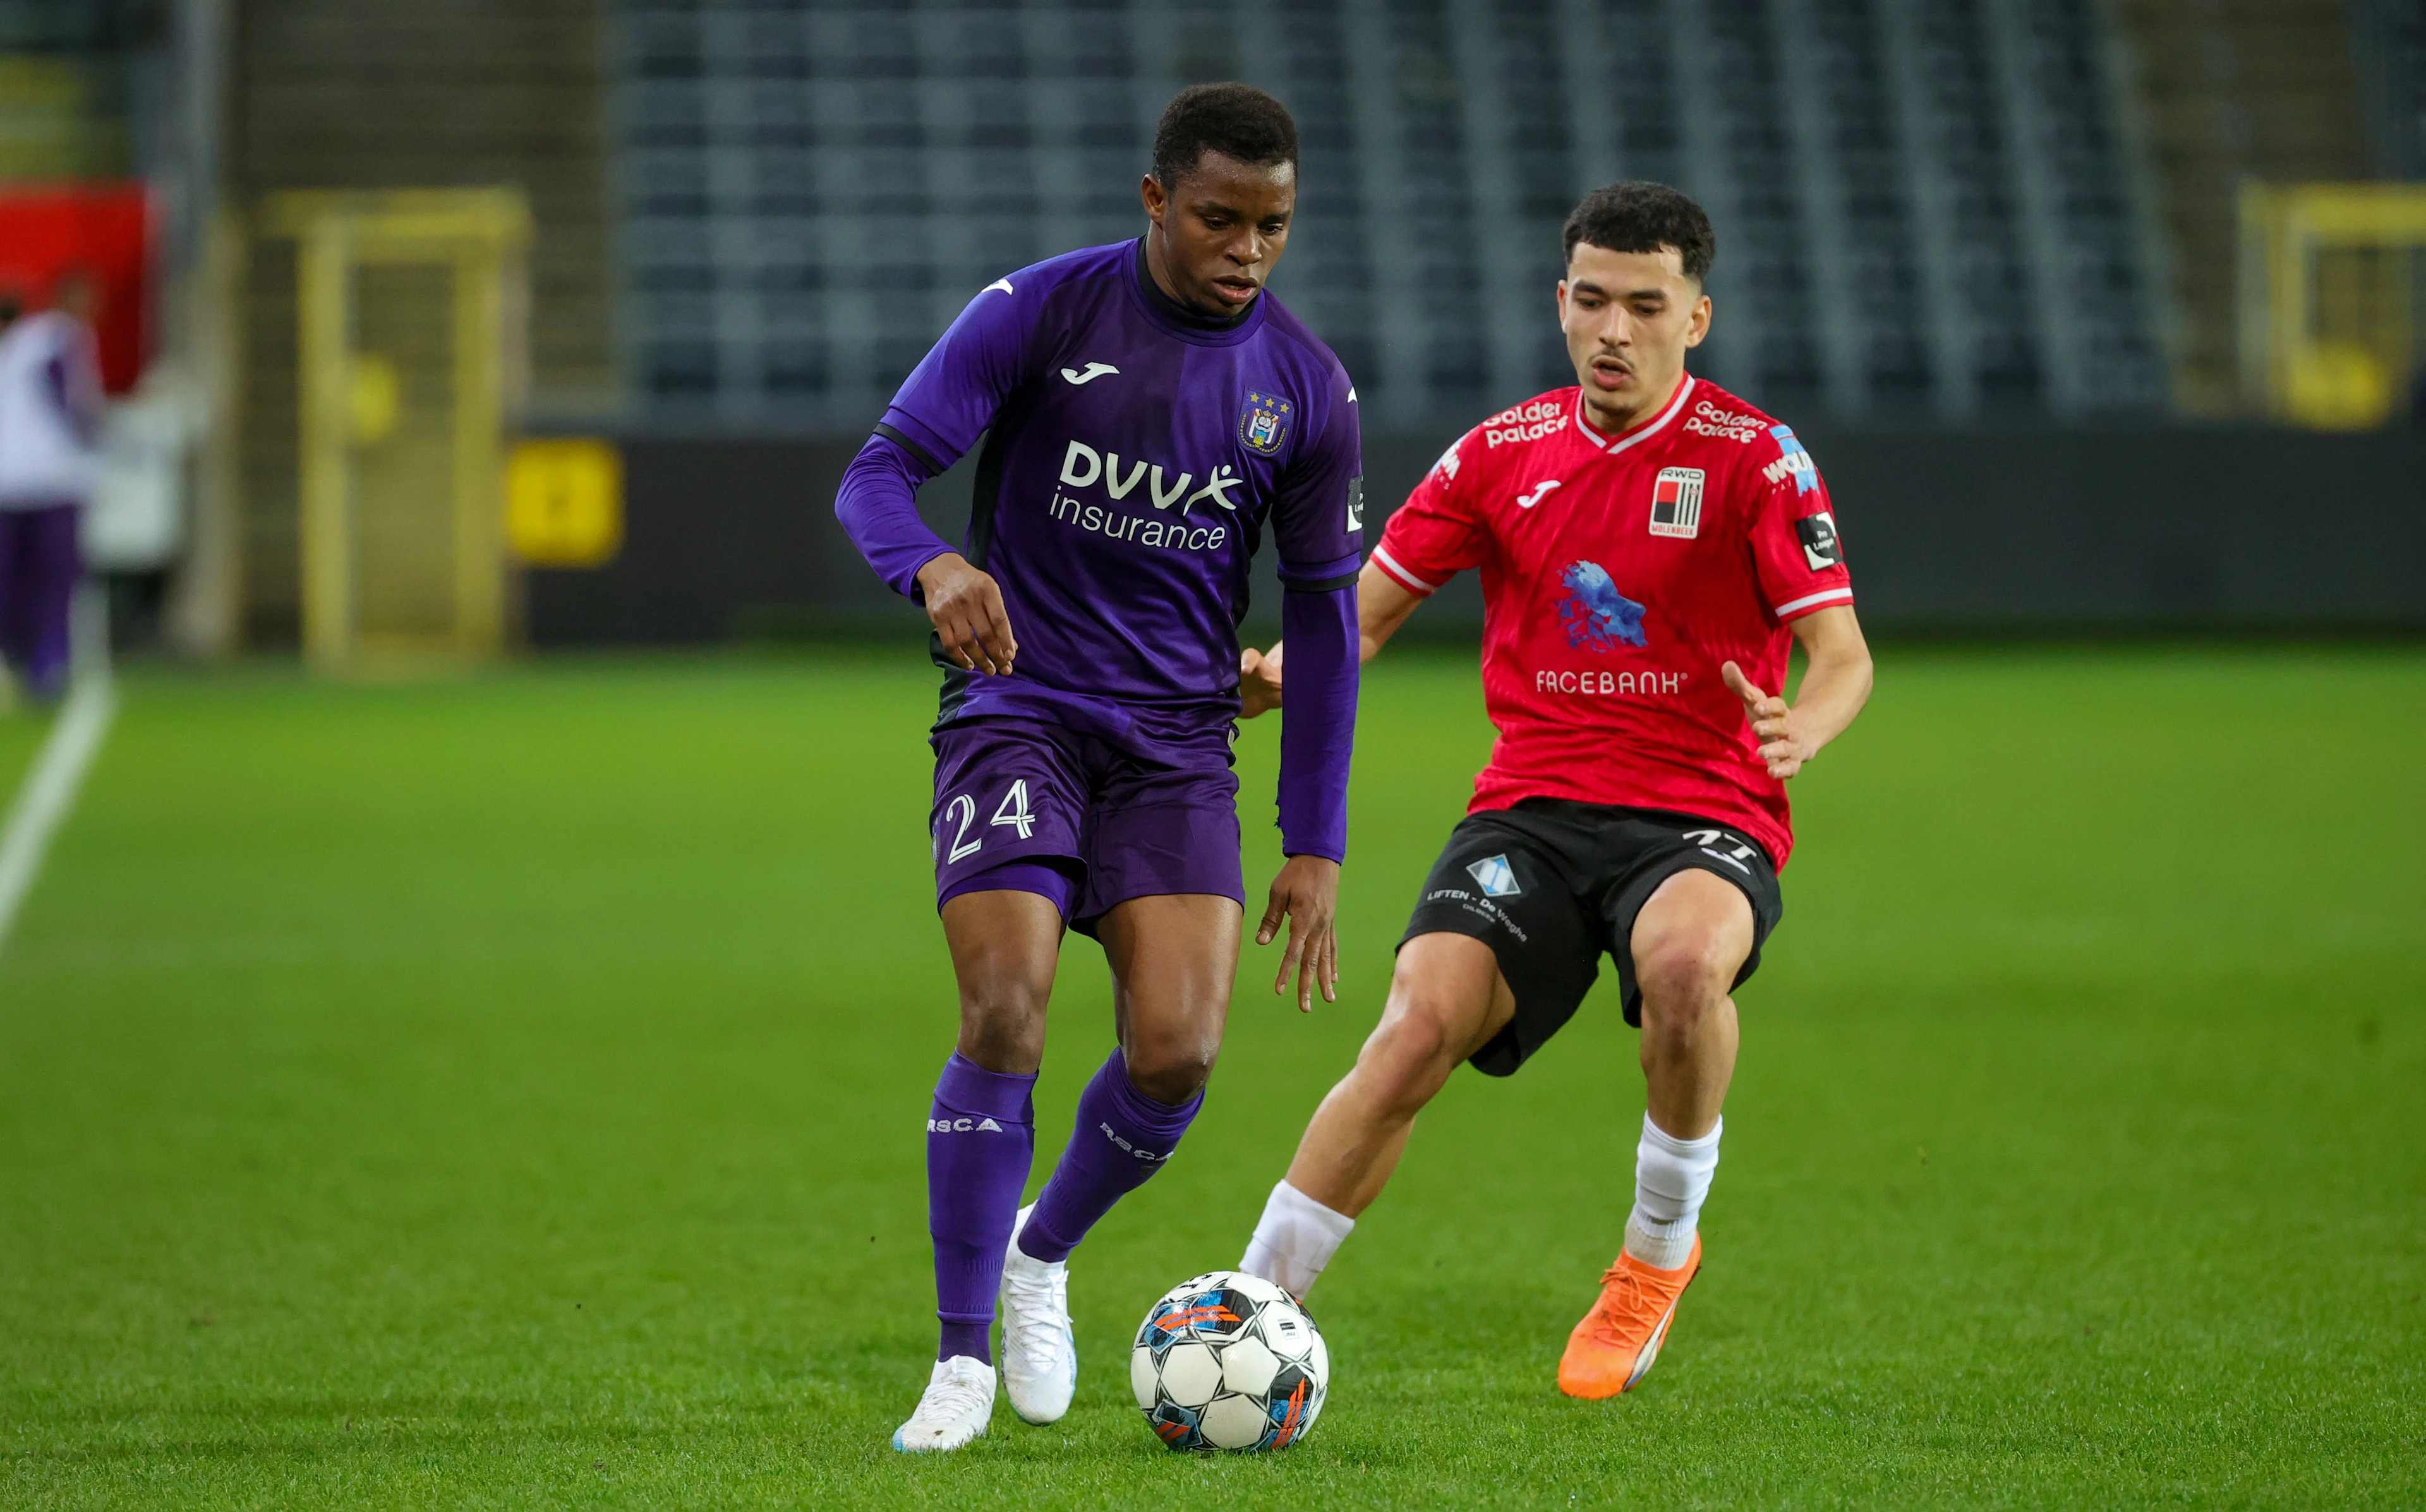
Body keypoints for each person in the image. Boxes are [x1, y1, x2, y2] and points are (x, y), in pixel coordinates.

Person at [1233, 182, 1873, 1398]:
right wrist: (1278, 671)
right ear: (1560, 302)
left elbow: (1844, 653)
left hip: (1703, 807)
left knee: (1686, 970)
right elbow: (1358, 618)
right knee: (1415, 1027)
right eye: (1591, 300)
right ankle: (1251, 1304)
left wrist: (1804, 727)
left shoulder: (1756, 459)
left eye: (1645, 305)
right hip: (1531, 805)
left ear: (1698, 317)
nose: (1612, 330)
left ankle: (1653, 1256)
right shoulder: (1498, 451)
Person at [833, 83, 1364, 1452]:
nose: (1248, 248)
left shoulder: (1305, 389)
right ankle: (957, 1363)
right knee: (1006, 1013)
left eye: (1275, 225)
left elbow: (1321, 620)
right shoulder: (1042, 311)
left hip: (1179, 744)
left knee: (1178, 1052)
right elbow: (877, 477)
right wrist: (936, 564)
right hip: (1018, 708)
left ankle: (1040, 1253)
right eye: (1219, 218)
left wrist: (1316, 839)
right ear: (1154, 201)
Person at [0, 272, 103, 702]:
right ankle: (30, 661)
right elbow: (73, 406)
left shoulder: (49, 338)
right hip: (41, 479)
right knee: (32, 580)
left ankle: (43, 663)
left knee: (48, 579)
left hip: (42, 480)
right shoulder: (55, 338)